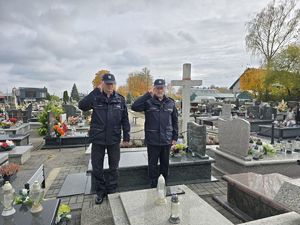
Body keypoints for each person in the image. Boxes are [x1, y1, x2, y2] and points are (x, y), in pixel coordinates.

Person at [78, 73, 130, 204]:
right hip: (98, 139)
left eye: (112, 83)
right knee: (97, 167)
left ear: (115, 84)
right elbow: (82, 105)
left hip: (113, 138)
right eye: (107, 84)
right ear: (102, 84)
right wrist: (96, 90)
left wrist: (127, 137)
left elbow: (125, 119)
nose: (110, 86)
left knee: (114, 167)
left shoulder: (120, 99)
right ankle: (100, 191)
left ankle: (112, 190)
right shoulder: (96, 97)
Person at [131, 79, 178, 187]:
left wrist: (174, 137)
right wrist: (148, 94)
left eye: (161, 88)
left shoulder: (171, 103)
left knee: (165, 165)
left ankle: (164, 185)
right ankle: (152, 186)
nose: (159, 90)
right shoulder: (148, 102)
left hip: (167, 140)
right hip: (153, 140)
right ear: (154, 88)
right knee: (152, 166)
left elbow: (175, 121)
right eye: (157, 88)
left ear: (165, 89)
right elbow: (134, 106)